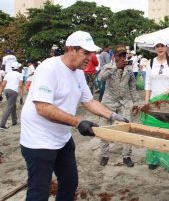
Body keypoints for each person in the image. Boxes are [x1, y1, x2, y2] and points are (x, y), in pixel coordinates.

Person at [20, 31, 129, 201]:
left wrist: (113, 115)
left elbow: (89, 101)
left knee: (70, 182)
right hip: (38, 140)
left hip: (61, 138)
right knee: (39, 192)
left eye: (91, 53)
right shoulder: (49, 68)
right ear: (71, 49)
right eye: (85, 53)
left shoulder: (78, 72)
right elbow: (42, 107)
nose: (90, 58)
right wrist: (78, 122)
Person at [144, 40, 169, 172]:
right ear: (154, 48)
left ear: (166, 47)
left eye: (162, 45)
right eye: (157, 46)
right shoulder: (150, 63)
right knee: (155, 131)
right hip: (154, 102)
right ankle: (154, 159)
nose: (160, 48)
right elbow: (148, 83)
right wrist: (146, 102)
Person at [98, 45, 139, 167]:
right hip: (108, 103)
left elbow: (132, 87)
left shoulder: (129, 69)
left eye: (124, 55)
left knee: (127, 128)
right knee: (104, 129)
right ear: (113, 56)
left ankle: (127, 156)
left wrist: (136, 103)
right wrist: (115, 67)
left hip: (124, 103)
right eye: (119, 55)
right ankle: (104, 155)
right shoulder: (108, 67)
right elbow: (101, 78)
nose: (122, 58)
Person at [0, 62, 24, 130]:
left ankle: (14, 121)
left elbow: (3, 84)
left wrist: (0, 93)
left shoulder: (8, 74)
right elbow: (20, 85)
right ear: (18, 68)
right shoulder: (20, 74)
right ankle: (2, 125)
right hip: (13, 91)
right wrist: (21, 96)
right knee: (9, 107)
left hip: (6, 90)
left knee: (13, 105)